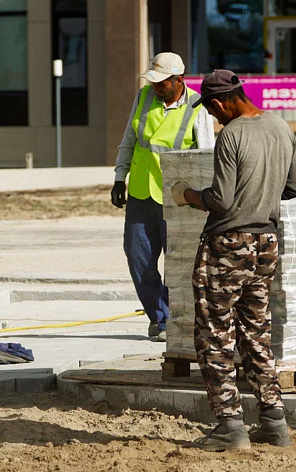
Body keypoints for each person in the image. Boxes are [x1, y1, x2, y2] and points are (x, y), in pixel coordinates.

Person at [170, 69, 296, 450]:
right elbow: (292, 188)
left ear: (218, 103)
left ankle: (230, 424)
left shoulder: (231, 135)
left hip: (227, 245)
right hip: (266, 244)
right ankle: (274, 421)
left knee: (214, 334)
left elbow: (222, 199)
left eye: (212, 113)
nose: (214, 120)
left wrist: (189, 195)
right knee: (257, 333)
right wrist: (261, 195)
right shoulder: (281, 126)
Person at [111, 52, 215, 342]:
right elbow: (129, 140)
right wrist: (120, 178)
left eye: (161, 83)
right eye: (153, 81)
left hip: (179, 197)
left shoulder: (197, 106)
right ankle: (159, 317)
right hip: (142, 193)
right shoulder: (144, 97)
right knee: (138, 257)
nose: (155, 87)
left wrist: (204, 197)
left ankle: (176, 319)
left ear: (178, 80)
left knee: (178, 262)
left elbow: (206, 154)